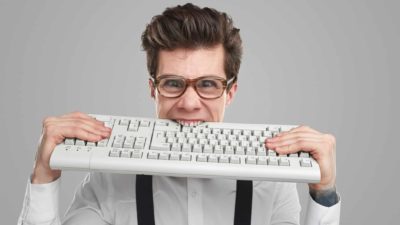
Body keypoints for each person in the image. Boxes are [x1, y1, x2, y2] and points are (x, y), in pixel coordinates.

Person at [18, 3, 340, 225]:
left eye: (208, 84)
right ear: (152, 88)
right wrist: (44, 176)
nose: (189, 103)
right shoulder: (110, 178)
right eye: (173, 83)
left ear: (230, 91)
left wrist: (323, 193)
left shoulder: (272, 182)